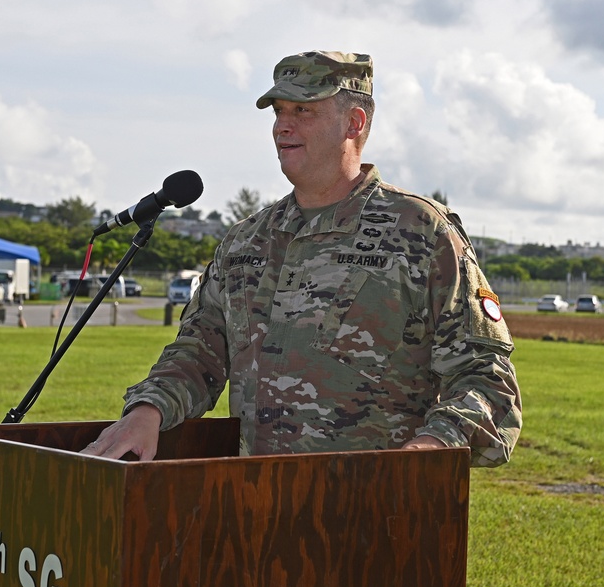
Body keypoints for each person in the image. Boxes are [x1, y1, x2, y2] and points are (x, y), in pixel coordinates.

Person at [84, 50, 522, 467]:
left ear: (354, 122)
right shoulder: (245, 242)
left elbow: (487, 379)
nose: (282, 127)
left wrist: (430, 450)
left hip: (376, 512)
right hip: (258, 506)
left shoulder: (421, 233)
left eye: (303, 111)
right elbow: (200, 352)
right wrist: (147, 410)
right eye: (278, 112)